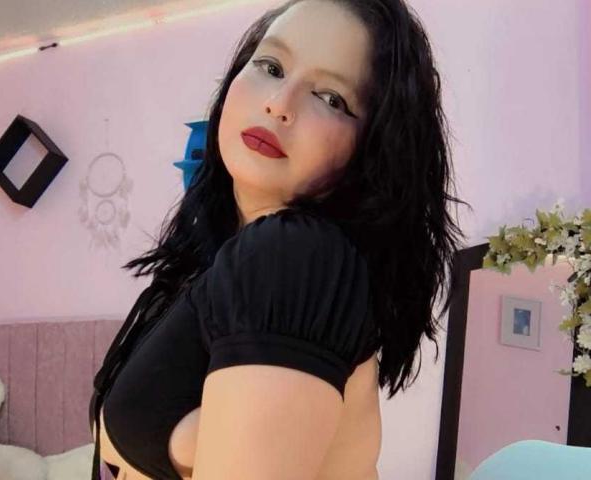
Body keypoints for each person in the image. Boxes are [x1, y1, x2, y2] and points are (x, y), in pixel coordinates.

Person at [89, 0, 470, 478]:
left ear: (372, 151)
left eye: (331, 98)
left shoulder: (295, 257)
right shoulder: (224, 264)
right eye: (271, 67)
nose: (279, 104)